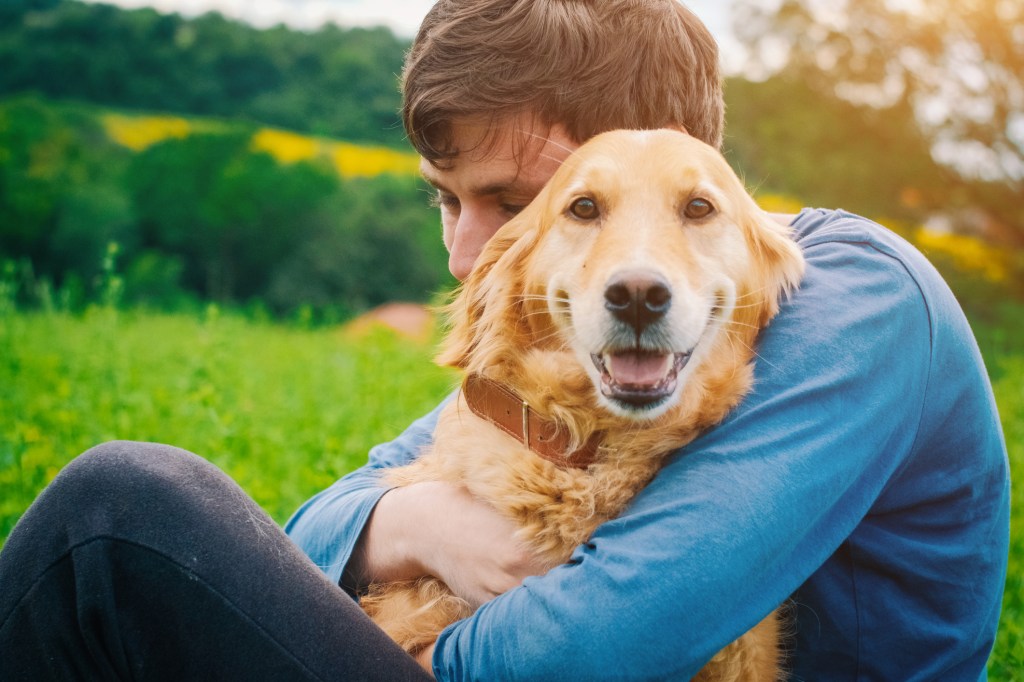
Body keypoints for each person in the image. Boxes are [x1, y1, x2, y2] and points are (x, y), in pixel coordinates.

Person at [0, 0, 1008, 680]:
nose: (474, 257)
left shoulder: (847, 291)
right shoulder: (592, 353)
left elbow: (608, 635)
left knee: (119, 515)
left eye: (523, 204)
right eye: (448, 203)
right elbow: (335, 507)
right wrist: (415, 528)